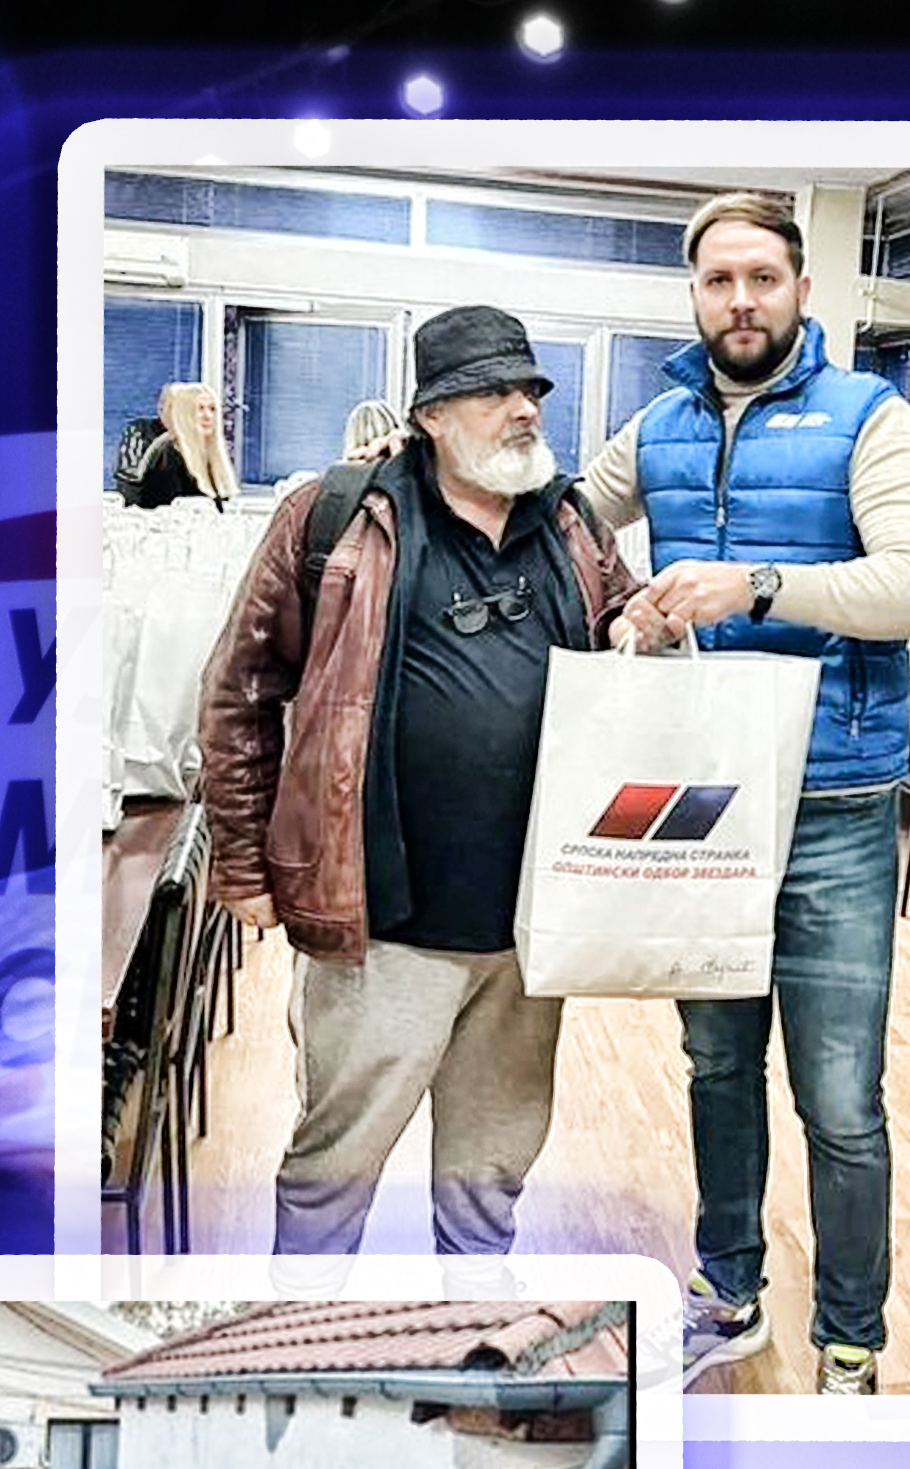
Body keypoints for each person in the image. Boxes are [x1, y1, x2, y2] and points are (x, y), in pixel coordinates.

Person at [582, 192, 910, 1395]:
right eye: (716, 281)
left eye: (761, 277)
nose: (738, 300)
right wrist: (618, 605)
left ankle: (849, 1339)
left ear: (802, 289)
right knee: (715, 1068)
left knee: (841, 1101)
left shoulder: (872, 419)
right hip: (706, 802)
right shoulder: (655, 425)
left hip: (836, 808)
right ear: (692, 295)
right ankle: (728, 1289)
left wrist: (755, 583)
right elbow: (556, 524)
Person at [193, 305, 640, 1261]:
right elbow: (239, 689)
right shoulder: (336, 518)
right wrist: (242, 864)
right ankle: (298, 1363)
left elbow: (626, 643)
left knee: (489, 1179)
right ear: (432, 413)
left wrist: (657, 622)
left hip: (528, 932)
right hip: (380, 931)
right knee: (330, 1175)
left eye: (530, 390)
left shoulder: (571, 523)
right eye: (491, 392)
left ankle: (465, 1360)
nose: (521, 410)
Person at [120, 382, 237, 510]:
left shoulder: (208, 456)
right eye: (199, 409)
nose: (207, 416)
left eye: (212, 409)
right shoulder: (168, 453)